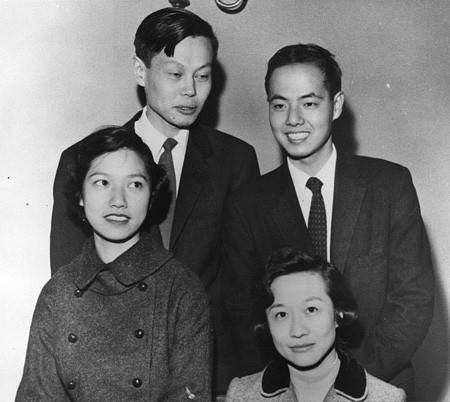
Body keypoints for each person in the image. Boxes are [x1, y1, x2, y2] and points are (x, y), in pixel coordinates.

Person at [50, 7, 259, 394]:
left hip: (206, 370)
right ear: (140, 70)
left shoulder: (235, 161)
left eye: (203, 76)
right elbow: (69, 284)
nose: (191, 91)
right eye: (175, 74)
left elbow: (242, 289)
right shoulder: (82, 160)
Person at [222, 43, 433, 398]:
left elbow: (413, 300)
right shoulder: (246, 205)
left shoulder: (389, 185)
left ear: (335, 106)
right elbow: (242, 316)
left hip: (380, 386)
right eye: (279, 105)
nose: (293, 119)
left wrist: (347, 384)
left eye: (308, 103)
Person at [17, 127, 211, 401]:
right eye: (102, 183)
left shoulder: (181, 289)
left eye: (135, 185)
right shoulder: (58, 292)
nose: (118, 201)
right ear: (80, 195)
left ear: (151, 196)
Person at [225, 248, 406, 401]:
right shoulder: (241, 395)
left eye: (311, 310)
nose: (297, 331)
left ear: (338, 314)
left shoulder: (386, 398)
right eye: (281, 314)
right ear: (266, 324)